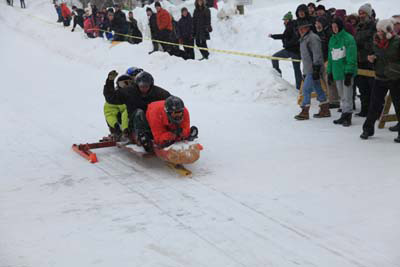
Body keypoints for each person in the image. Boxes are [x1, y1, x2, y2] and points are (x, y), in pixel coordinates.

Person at [103, 71, 171, 149]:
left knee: (163, 110)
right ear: (137, 84)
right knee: (139, 112)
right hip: (132, 122)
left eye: (146, 86)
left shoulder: (158, 92)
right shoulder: (129, 91)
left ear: (150, 85)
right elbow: (111, 98)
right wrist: (109, 81)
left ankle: (171, 133)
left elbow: (171, 100)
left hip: (150, 119)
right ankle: (142, 138)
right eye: (141, 86)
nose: (144, 88)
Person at [360, 19, 400, 142]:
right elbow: (376, 54)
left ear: (387, 30)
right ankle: (367, 129)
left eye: (380, 31)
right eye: (377, 30)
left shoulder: (397, 42)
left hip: (395, 78)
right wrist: (372, 58)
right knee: (374, 105)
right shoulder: (376, 41)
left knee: (398, 105)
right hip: (380, 76)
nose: (378, 33)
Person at [294, 20, 330, 120]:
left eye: (303, 28)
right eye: (299, 29)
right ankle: (325, 108)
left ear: (308, 28)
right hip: (308, 69)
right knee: (318, 87)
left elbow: (317, 54)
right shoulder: (303, 39)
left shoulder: (313, 38)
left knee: (306, 89)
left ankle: (305, 111)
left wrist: (316, 69)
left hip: (314, 68)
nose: (301, 30)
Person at [327, 18, 358, 127]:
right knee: (342, 95)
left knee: (348, 94)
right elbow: (330, 57)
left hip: (346, 72)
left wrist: (349, 72)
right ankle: (343, 114)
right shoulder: (332, 39)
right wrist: (329, 72)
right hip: (337, 72)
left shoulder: (348, 39)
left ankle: (348, 115)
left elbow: (351, 56)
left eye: (336, 26)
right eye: (333, 27)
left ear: (340, 26)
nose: (334, 29)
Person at [269, 12, 302, 90]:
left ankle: (277, 77)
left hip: (291, 50)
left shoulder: (290, 26)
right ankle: (299, 87)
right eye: (284, 20)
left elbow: (284, 36)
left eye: (285, 20)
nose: (284, 21)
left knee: (274, 57)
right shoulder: (294, 25)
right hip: (296, 51)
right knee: (297, 69)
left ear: (289, 19)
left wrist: (273, 36)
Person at [354, 3, 376, 117]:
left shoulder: (374, 26)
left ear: (368, 14)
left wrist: (362, 45)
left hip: (370, 61)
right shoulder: (358, 26)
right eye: (360, 13)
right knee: (362, 88)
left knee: (372, 88)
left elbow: (374, 44)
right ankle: (364, 109)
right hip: (359, 60)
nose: (361, 15)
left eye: (363, 13)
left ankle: (375, 112)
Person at [104, 74, 131, 142]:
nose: (126, 86)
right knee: (126, 111)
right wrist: (116, 125)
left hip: (130, 122)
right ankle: (120, 134)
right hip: (119, 125)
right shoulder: (114, 97)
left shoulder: (134, 93)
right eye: (123, 83)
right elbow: (109, 114)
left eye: (129, 83)